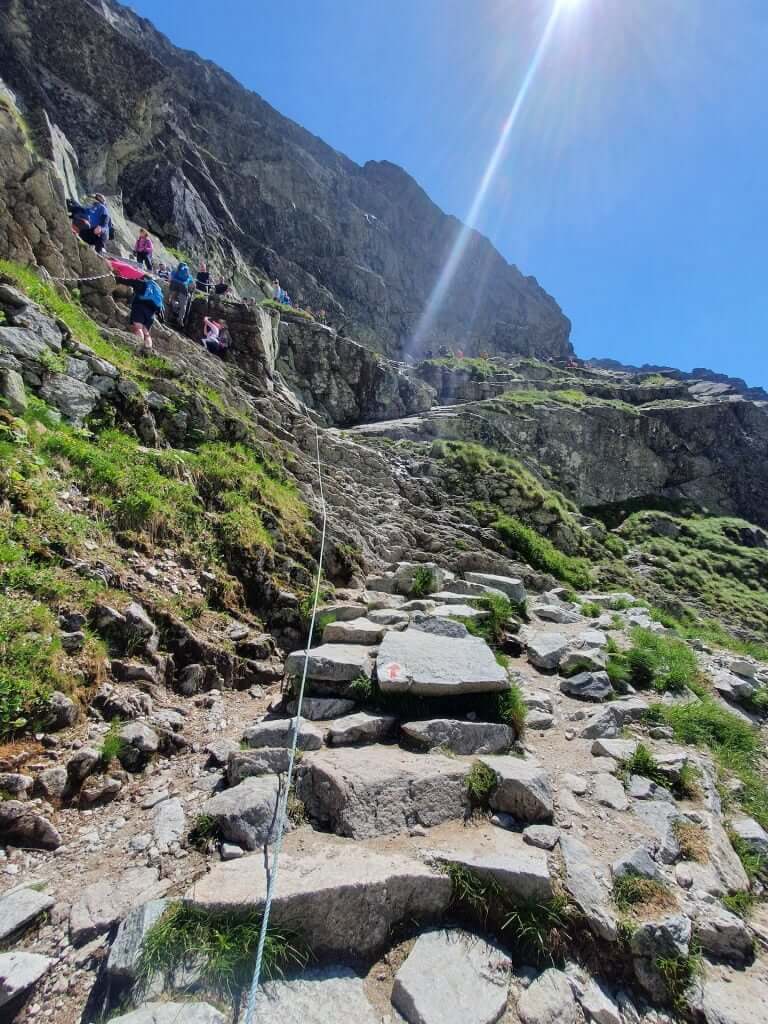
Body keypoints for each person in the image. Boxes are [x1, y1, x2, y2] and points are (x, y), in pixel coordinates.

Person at [129, 274, 164, 351]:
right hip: (151, 314)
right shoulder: (157, 288)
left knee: (138, 328)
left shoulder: (142, 283)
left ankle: (138, 347)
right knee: (146, 333)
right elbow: (160, 305)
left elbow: (127, 281)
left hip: (140, 308)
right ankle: (148, 351)